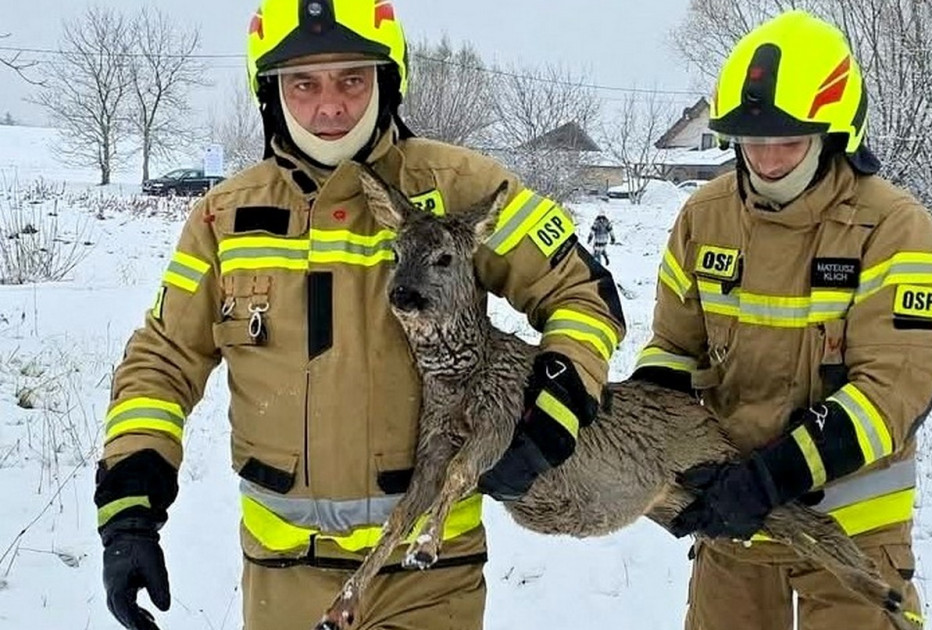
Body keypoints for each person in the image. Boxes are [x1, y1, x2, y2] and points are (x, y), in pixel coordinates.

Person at [92, 1, 625, 629]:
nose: (329, 105)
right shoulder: (222, 218)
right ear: (271, 92)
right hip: (281, 573)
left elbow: (584, 295)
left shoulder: (460, 185)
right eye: (303, 83)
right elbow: (162, 362)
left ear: (386, 80)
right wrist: (130, 509)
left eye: (351, 78)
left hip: (432, 572)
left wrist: (553, 405)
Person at [629, 10, 932, 630]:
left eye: (788, 138)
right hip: (734, 531)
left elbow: (892, 392)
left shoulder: (895, 228)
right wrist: (645, 438)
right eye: (752, 140)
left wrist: (772, 476)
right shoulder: (704, 219)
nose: (768, 156)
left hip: (852, 536)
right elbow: (675, 349)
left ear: (835, 133)